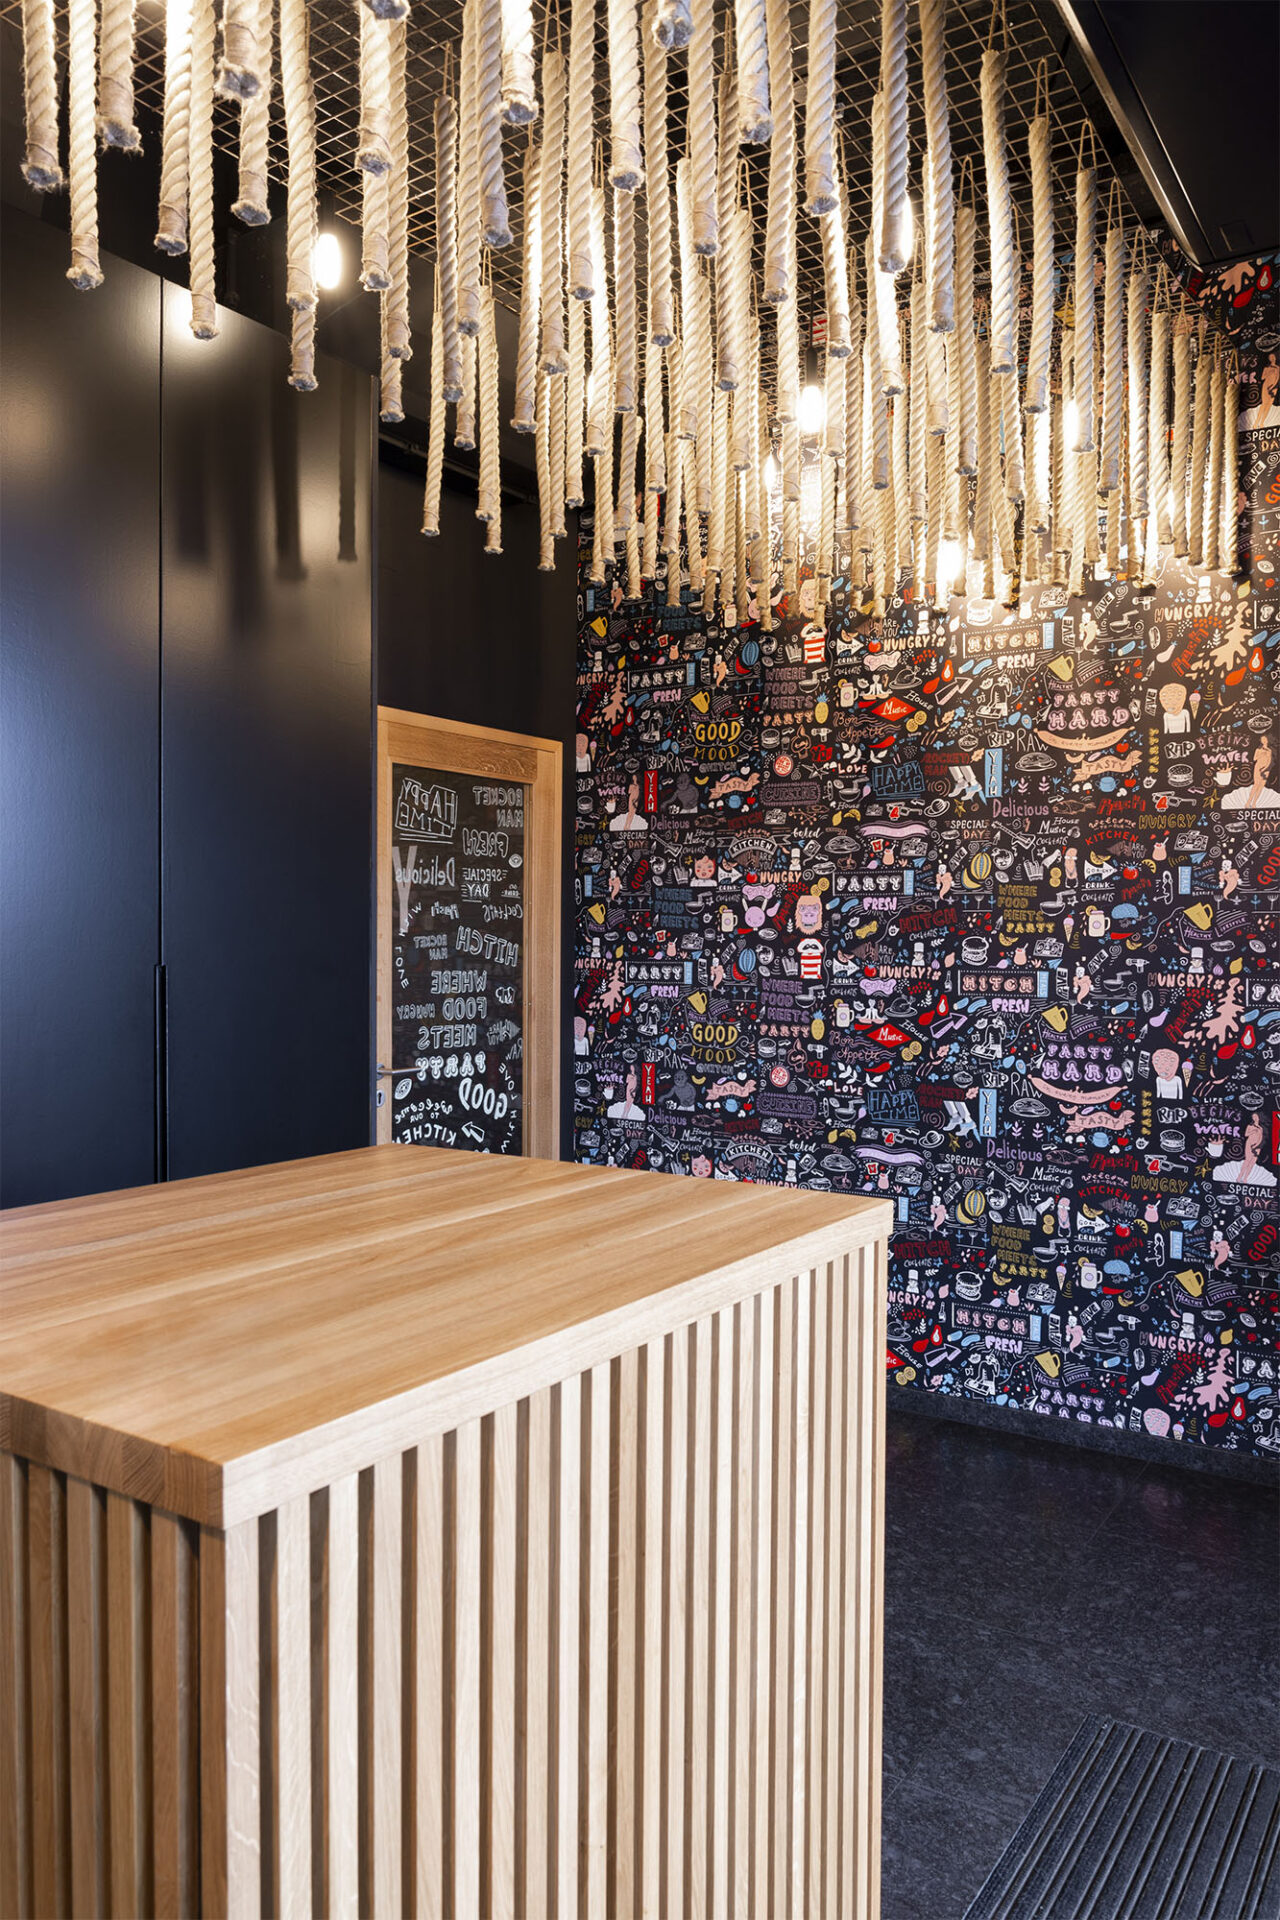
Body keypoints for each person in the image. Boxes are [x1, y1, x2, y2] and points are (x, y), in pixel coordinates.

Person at [1213, 1113, 1277, 1187]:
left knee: (1252, 1162)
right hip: (1249, 1144)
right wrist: (1253, 1131)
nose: (1255, 1118)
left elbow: (1261, 1137)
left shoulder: (1260, 1128)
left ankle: (1245, 1178)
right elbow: (1246, 1134)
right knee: (1247, 1161)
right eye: (1253, 1117)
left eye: (1256, 1117)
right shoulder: (1250, 1126)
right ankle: (1239, 1176)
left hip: (1257, 1146)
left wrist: (1257, 1145)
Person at [1221, 740, 1280, 811]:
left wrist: (1265, 768)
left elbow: (1269, 760)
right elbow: (1254, 758)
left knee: (1261, 786)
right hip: (1258, 767)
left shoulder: (1269, 751)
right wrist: (1261, 753)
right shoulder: (1258, 750)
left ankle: (1254, 803)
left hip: (1266, 769)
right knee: (1256, 785)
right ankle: (1248, 802)